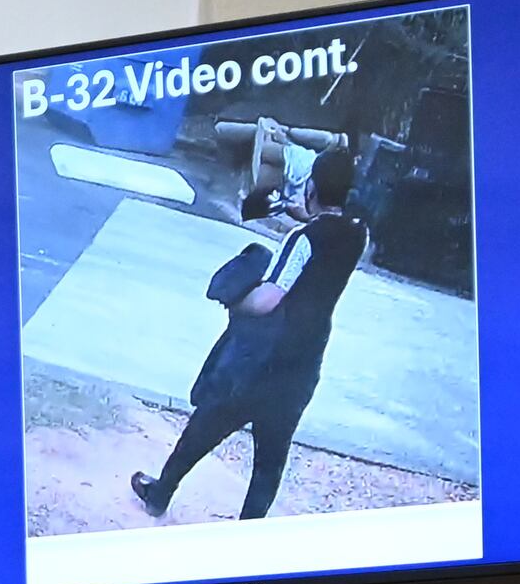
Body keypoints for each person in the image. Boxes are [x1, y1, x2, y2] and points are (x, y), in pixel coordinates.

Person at [131, 145, 369, 523]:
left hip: (261, 360)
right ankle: (247, 537)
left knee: (206, 425)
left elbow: (268, 299)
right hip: (304, 365)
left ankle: (160, 493)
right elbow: (328, 227)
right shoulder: (358, 235)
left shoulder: (302, 241)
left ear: (311, 188)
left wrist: (235, 300)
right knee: (270, 462)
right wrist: (295, 209)